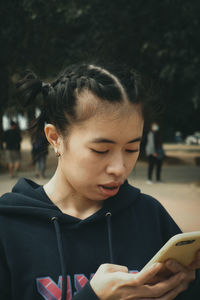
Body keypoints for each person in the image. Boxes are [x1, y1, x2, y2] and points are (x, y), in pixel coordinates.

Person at [0, 64, 199, 300]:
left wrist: (185, 286)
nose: (119, 168)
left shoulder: (150, 216)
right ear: (55, 138)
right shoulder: (8, 228)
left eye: (131, 148)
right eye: (101, 150)